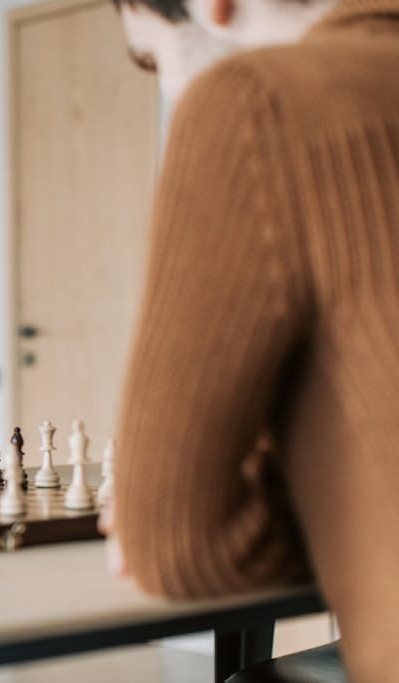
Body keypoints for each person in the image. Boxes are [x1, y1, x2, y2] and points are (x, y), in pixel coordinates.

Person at [103, 0, 399, 678]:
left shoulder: (251, 103)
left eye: (157, 61)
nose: (171, 92)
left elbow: (171, 540)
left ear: (215, 7)